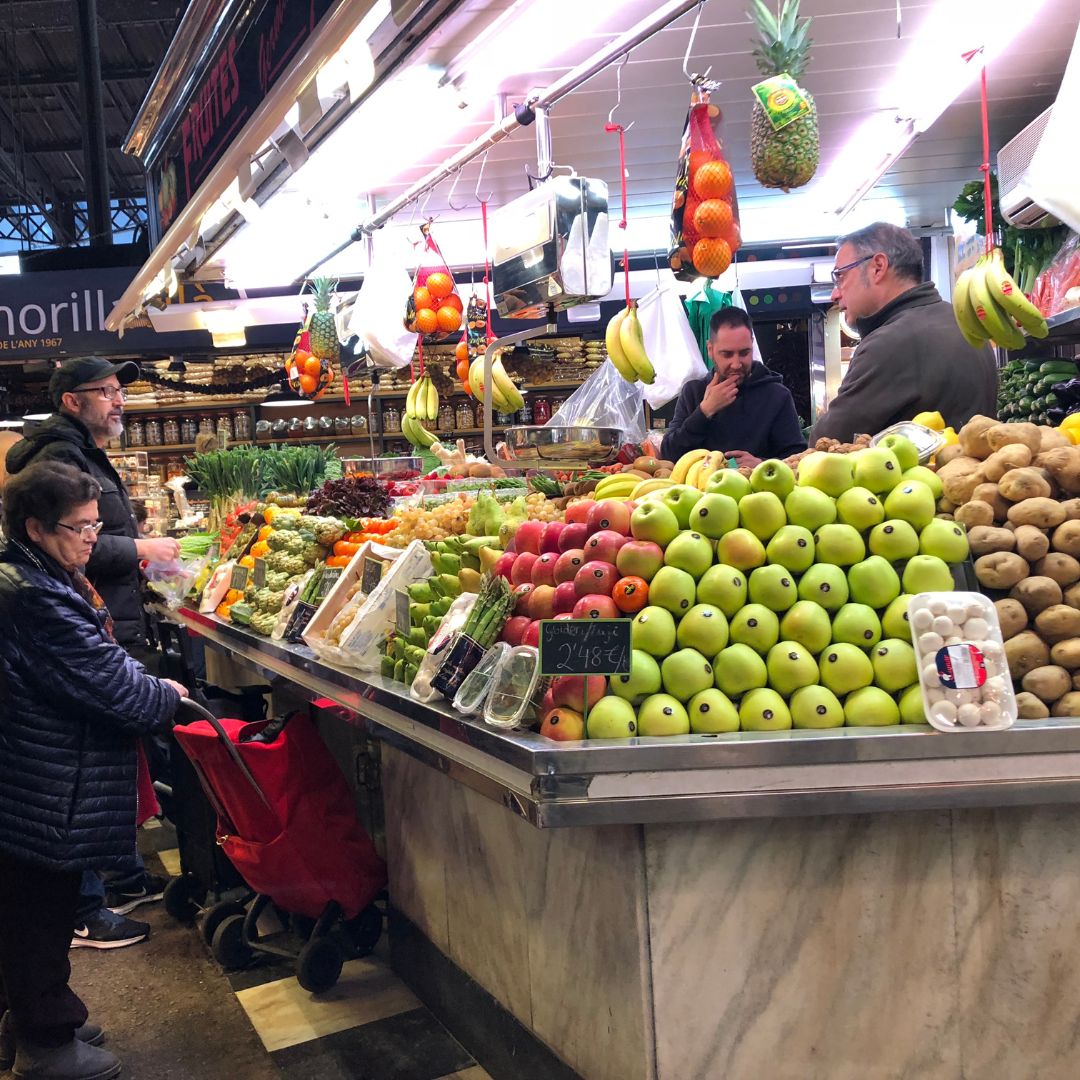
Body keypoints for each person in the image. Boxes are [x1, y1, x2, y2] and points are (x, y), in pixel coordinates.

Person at [0, 462, 186, 1080]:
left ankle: (29, 1019)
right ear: (34, 527)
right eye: (77, 527)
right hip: (41, 786)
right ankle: (46, 1044)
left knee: (30, 913)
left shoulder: (30, 574)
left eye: (94, 525)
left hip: (30, 778)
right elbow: (117, 692)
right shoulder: (36, 597)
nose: (90, 539)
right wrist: (163, 692)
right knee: (38, 915)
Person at [6, 358, 180, 949]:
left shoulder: (78, 450)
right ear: (71, 401)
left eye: (118, 390)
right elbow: (112, 700)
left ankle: (114, 879)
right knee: (70, 774)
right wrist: (136, 546)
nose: (118, 400)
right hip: (77, 652)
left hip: (100, 624)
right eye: (103, 392)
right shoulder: (54, 459)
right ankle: (84, 908)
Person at [811, 222, 999, 442]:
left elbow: (827, 441)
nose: (835, 294)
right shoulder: (963, 322)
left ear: (878, 267)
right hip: (972, 472)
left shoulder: (888, 342)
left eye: (840, 276)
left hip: (922, 475)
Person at [660, 307, 807, 468]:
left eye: (744, 353)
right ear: (710, 350)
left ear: (752, 345)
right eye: (727, 354)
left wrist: (761, 464)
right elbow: (669, 455)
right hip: (700, 491)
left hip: (761, 490)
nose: (736, 364)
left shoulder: (777, 395)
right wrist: (704, 411)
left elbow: (798, 457)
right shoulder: (693, 392)